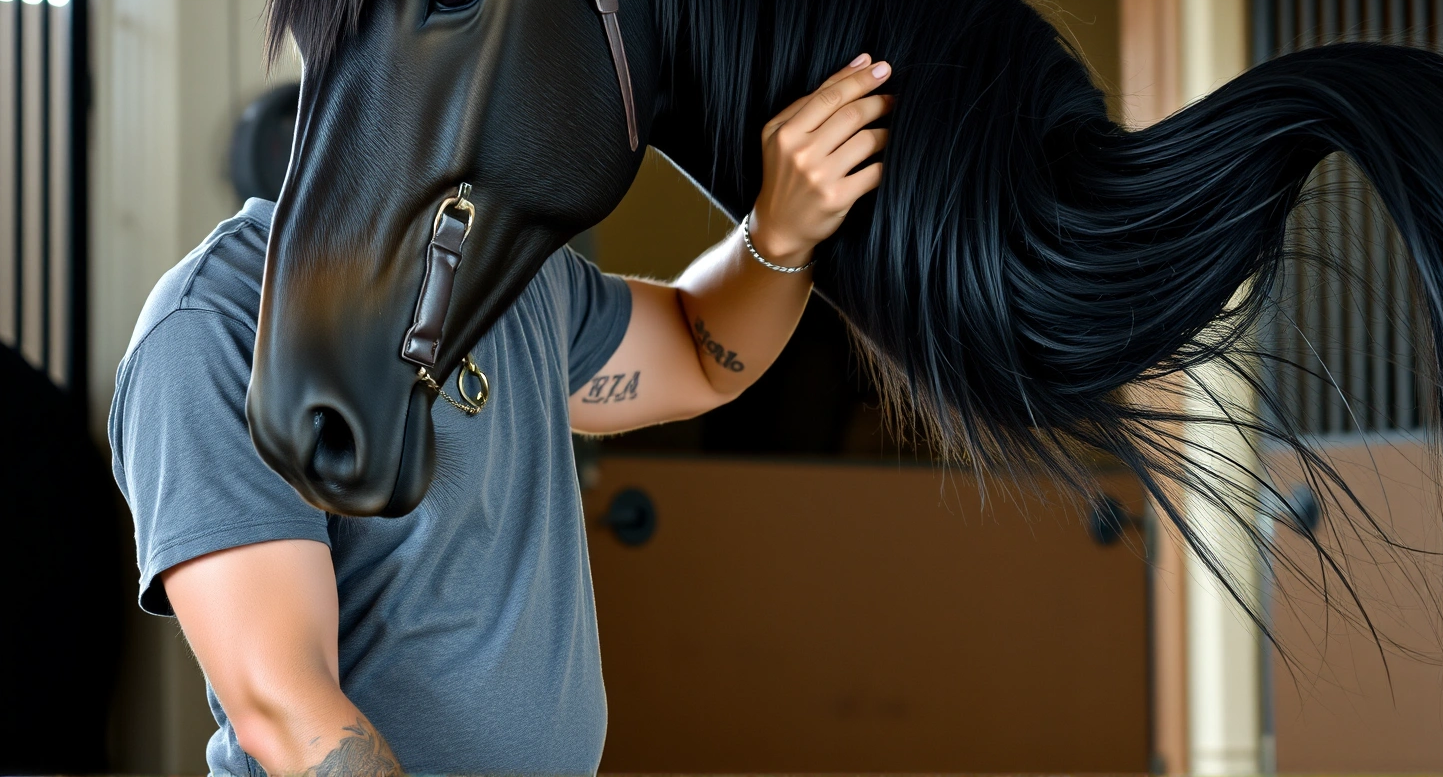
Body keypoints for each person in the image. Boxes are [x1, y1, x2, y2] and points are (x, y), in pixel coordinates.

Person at [110, 56, 893, 775]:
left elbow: (695, 352)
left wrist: (782, 231)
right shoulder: (217, 322)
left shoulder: (516, 274)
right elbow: (288, 713)